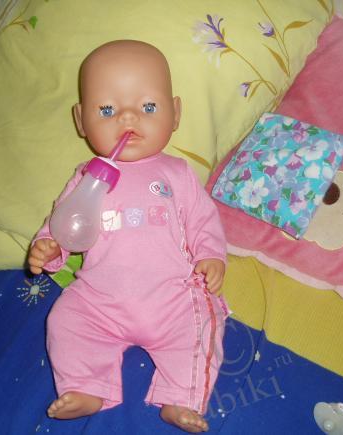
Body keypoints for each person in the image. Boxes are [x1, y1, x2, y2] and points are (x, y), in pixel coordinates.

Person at [27, 40, 227, 433]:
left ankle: (181, 398)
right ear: (81, 120)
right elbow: (65, 223)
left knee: (203, 326)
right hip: (99, 300)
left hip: (172, 299)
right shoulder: (86, 177)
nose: (128, 117)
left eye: (148, 107)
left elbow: (204, 220)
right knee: (65, 319)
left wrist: (211, 256)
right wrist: (48, 248)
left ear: (175, 113)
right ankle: (86, 387)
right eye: (107, 110)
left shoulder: (176, 173)